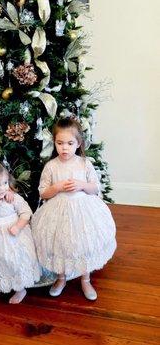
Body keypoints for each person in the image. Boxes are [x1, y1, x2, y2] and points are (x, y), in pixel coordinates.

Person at [32, 117, 116, 300]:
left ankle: (85, 279)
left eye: (70, 143)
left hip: (83, 211)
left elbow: (95, 188)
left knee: (82, 242)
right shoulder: (51, 166)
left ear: (78, 143)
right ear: (54, 142)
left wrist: (81, 184)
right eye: (60, 143)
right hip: (58, 211)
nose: (64, 148)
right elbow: (43, 193)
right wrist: (58, 187)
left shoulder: (84, 163)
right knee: (61, 243)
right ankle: (61, 277)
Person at [0, 161, 41, 304]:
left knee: (15, 261)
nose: (2, 188)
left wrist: (18, 226)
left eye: (4, 183)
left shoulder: (12, 198)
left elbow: (26, 212)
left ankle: (20, 288)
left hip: (14, 235)